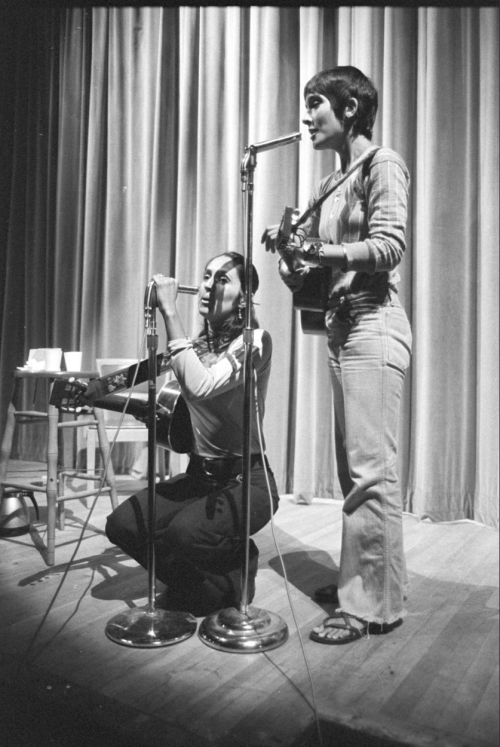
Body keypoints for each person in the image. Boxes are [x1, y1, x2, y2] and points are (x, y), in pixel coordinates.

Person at [261, 66, 412, 644]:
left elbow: (388, 245)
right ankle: (363, 585)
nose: (306, 116)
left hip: (373, 327)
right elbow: (322, 272)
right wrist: (295, 264)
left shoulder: (384, 164)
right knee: (357, 471)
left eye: (316, 102)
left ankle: (372, 608)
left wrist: (320, 250)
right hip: (342, 330)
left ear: (350, 108)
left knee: (371, 473)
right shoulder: (331, 183)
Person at [105, 252, 279, 616]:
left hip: (247, 480)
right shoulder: (191, 348)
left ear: (244, 299)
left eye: (222, 279)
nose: (208, 285)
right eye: (206, 276)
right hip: (201, 477)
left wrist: (170, 312)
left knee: (183, 535)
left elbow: (200, 387)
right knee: (123, 525)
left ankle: (237, 561)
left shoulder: (255, 342)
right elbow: (178, 415)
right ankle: (207, 589)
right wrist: (95, 394)